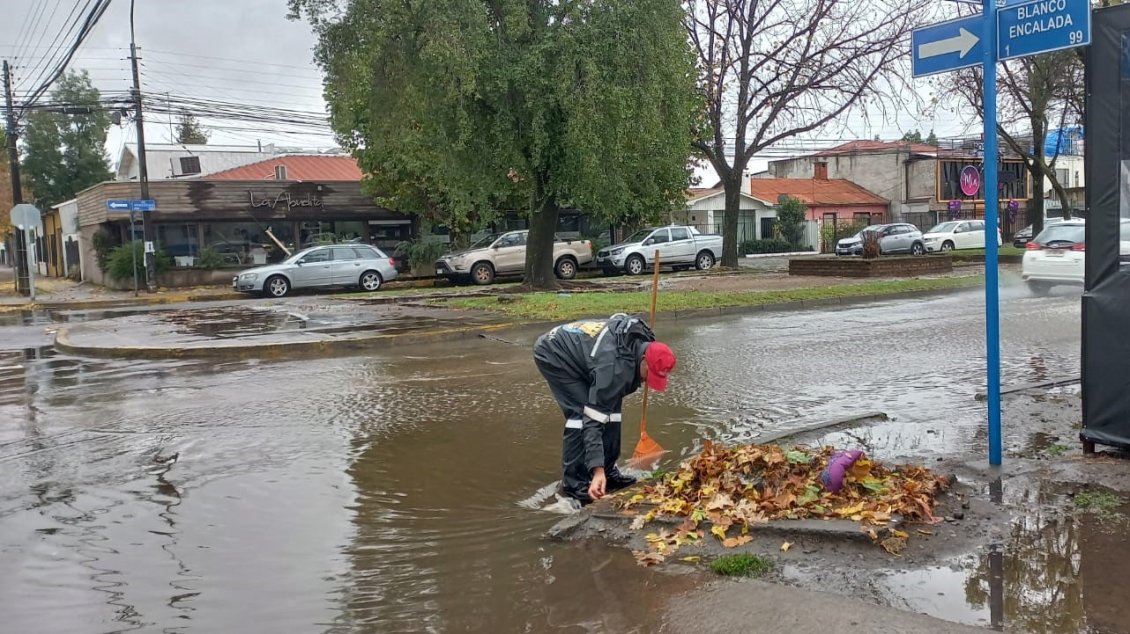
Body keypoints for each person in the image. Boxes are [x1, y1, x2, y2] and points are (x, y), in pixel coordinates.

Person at [533, 313, 676, 505]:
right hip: (555, 353)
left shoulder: (645, 340)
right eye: (649, 375)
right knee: (581, 415)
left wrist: (604, 470)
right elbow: (593, 420)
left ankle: (609, 472)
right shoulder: (613, 370)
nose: (647, 382)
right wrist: (596, 470)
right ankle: (575, 485)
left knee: (612, 414)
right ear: (643, 360)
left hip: (589, 356)